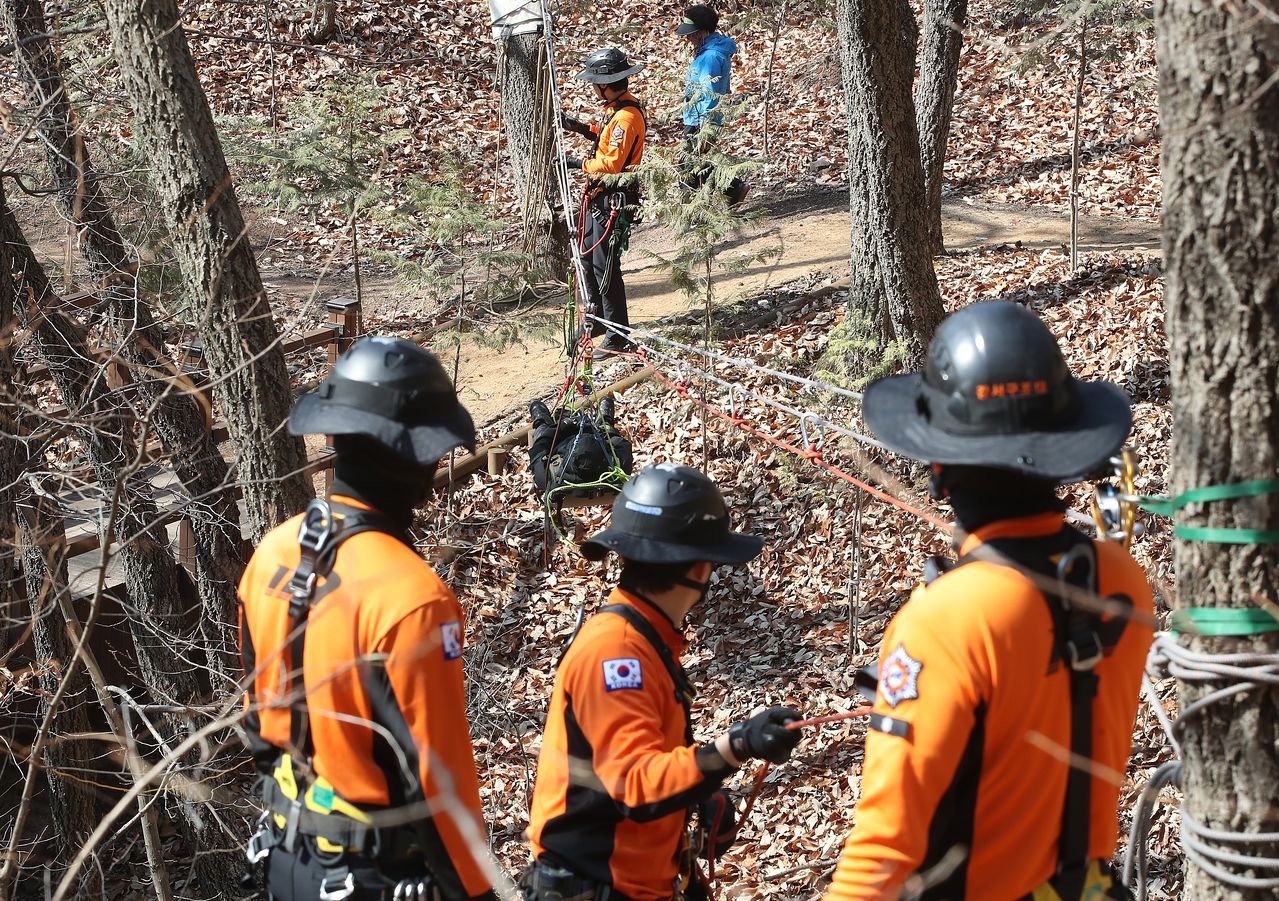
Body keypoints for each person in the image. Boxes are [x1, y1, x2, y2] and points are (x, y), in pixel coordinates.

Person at [826, 301, 1154, 900]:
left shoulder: (947, 620)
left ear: (938, 463)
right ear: (1059, 446)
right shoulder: (1121, 581)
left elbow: (882, 849)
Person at [237, 336, 497, 901]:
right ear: (415, 454)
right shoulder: (412, 599)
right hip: (377, 878)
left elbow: (257, 718)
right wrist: (476, 890)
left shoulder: (274, 553)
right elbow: (438, 782)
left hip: (287, 855)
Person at [523, 464, 803, 901]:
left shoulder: (647, 639)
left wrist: (699, 799)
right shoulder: (616, 653)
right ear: (695, 566)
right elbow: (636, 784)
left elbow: (636, 765)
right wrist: (734, 749)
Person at [559, 48, 647, 359]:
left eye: (595, 83)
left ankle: (618, 334)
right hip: (599, 196)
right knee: (587, 261)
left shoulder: (626, 116)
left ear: (606, 84)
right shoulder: (615, 109)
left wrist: (576, 163)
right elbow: (606, 138)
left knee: (604, 267)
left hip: (612, 198)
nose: (593, 88)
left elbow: (611, 162)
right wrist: (581, 128)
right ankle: (596, 319)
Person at [675, 5, 747, 206]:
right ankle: (734, 189)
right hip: (695, 117)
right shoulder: (707, 52)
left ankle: (693, 212)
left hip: (702, 120)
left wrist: (704, 127)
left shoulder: (711, 57)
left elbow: (710, 94)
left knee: (687, 165)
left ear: (704, 31)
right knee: (698, 164)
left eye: (692, 34)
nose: (688, 39)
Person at [528, 395, 634, 501]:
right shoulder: (618, 471)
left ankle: (542, 419)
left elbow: (539, 446)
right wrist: (600, 431)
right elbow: (621, 443)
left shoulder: (547, 477)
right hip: (595, 438)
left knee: (541, 430)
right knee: (607, 428)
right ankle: (603, 420)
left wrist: (560, 427)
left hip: (562, 440)